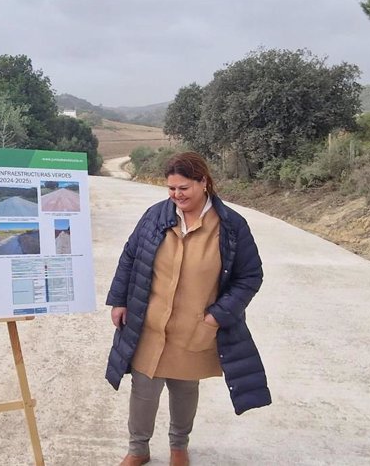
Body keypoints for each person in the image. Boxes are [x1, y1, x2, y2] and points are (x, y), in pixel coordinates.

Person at [105, 151, 271, 466]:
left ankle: (179, 446)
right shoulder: (156, 216)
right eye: (171, 189)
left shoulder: (231, 226)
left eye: (184, 188)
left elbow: (250, 276)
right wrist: (120, 300)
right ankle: (138, 449)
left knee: (184, 389)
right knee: (143, 389)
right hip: (150, 322)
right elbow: (129, 256)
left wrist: (217, 316)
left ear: (204, 182)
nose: (176, 195)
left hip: (195, 325)